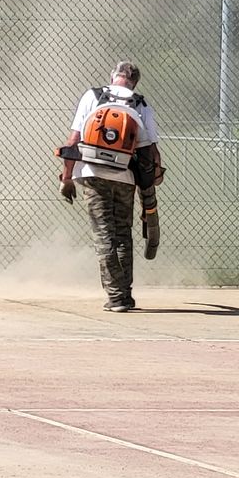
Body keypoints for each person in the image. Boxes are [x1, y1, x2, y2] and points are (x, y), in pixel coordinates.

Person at [57, 61, 164, 312]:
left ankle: (116, 297)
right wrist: (149, 187)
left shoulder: (93, 96)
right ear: (134, 82)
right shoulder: (141, 105)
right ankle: (124, 295)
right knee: (122, 234)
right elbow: (151, 152)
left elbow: (74, 140)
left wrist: (67, 178)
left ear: (113, 76)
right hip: (124, 177)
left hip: (92, 174)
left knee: (104, 235)